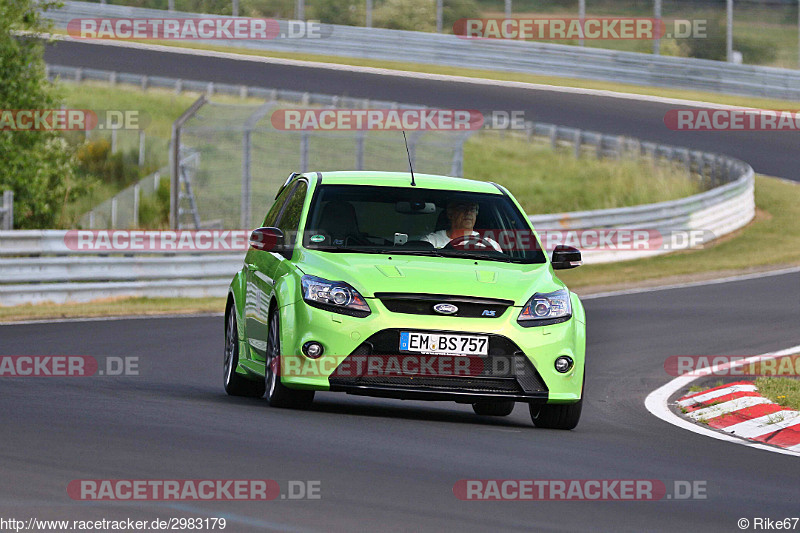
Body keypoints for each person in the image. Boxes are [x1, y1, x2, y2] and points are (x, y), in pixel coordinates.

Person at [421, 200, 502, 251]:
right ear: (450, 214)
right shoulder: (430, 242)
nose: (468, 212)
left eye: (472, 209)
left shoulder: (490, 245)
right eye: (463, 208)